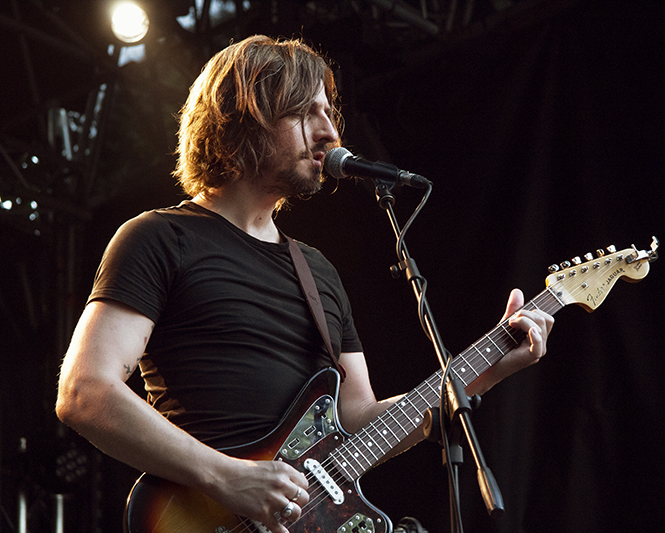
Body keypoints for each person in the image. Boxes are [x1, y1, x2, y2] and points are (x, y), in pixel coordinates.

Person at [55, 35, 554, 533]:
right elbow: (84, 391)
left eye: (329, 113)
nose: (330, 132)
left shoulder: (318, 272)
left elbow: (359, 421)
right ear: (240, 118)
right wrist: (228, 478)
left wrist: (489, 368)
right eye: (305, 113)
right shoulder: (160, 238)